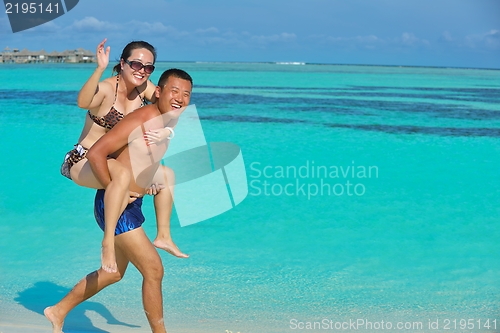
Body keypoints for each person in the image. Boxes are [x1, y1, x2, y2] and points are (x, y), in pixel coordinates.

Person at [45, 68, 193, 333]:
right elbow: (98, 153)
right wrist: (116, 188)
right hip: (118, 206)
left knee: (113, 273)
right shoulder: (142, 117)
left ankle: (57, 311)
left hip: (133, 203)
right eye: (174, 91)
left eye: (186, 94)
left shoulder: (168, 117)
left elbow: (146, 156)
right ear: (157, 92)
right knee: (154, 270)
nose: (180, 98)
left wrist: (163, 146)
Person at [61, 39, 188, 274]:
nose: (142, 71)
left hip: (113, 162)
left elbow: (173, 105)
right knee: (120, 176)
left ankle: (164, 236)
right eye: (136, 64)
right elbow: (82, 103)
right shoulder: (109, 88)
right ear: (122, 63)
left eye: (148, 67)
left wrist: (167, 131)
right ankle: (107, 244)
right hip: (85, 161)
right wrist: (99, 68)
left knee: (166, 175)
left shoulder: (145, 90)